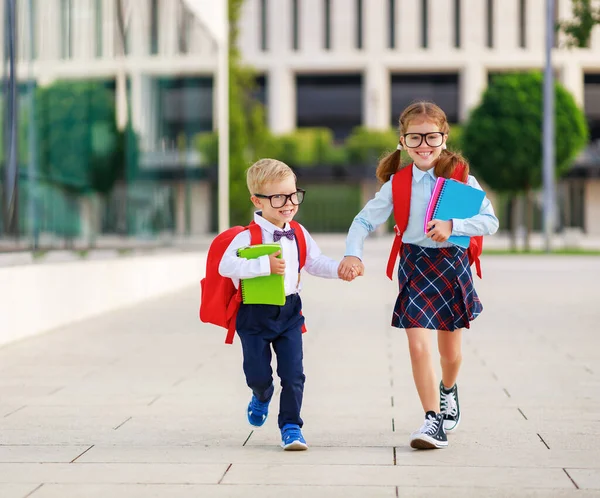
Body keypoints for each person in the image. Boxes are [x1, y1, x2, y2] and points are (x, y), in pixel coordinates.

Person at [338, 101, 499, 449]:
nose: (423, 145)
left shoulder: (461, 179)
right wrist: (353, 252)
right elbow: (363, 220)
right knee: (416, 345)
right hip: (414, 264)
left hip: (452, 265)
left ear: (444, 137)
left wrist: (453, 225)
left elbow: (490, 221)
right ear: (402, 141)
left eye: (431, 137)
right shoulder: (397, 183)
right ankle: (432, 420)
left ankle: (448, 390)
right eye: (415, 138)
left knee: (450, 353)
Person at [219, 158, 357, 451]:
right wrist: (262, 264)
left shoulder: (298, 233)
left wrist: (340, 269)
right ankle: (262, 393)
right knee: (257, 373)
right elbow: (225, 266)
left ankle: (291, 426)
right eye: (279, 197)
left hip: (290, 312)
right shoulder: (246, 237)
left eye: (293, 195)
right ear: (257, 200)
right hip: (254, 314)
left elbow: (314, 261)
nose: (289, 203)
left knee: (294, 374)